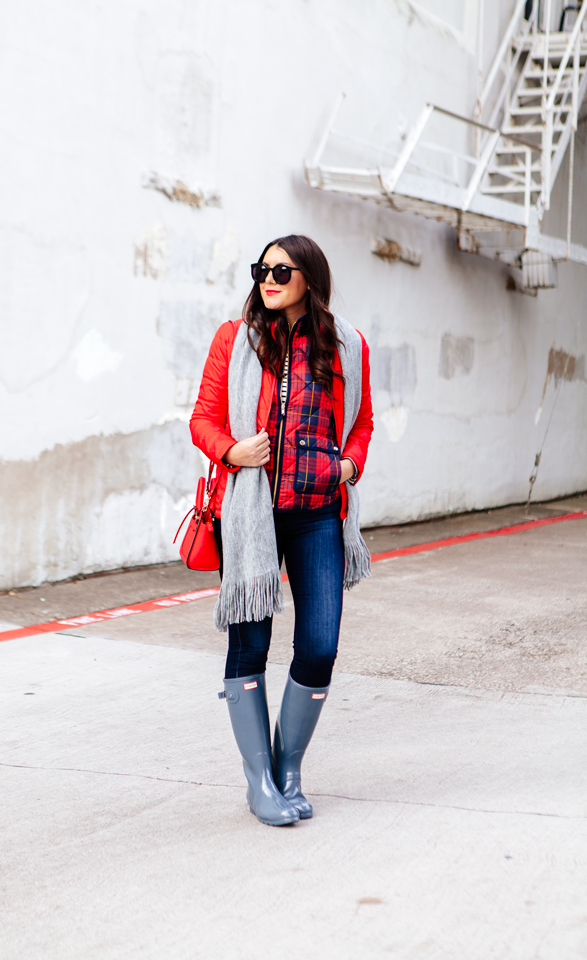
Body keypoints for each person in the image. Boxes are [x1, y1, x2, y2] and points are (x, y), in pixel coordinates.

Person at [190, 234, 373, 826]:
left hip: (319, 511)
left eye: (280, 269)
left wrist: (348, 465)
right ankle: (260, 782)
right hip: (252, 514)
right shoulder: (234, 339)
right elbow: (202, 419)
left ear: (309, 278)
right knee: (250, 646)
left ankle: (287, 768)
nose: (267, 278)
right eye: (261, 269)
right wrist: (232, 450)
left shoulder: (348, 344)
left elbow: (362, 422)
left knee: (319, 646)